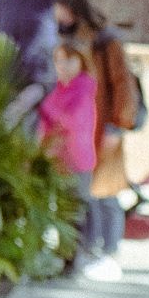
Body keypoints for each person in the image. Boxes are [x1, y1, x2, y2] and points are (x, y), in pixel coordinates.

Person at [55, 0, 140, 281]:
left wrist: (117, 127)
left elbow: (123, 85)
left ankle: (110, 252)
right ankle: (85, 251)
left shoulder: (107, 43)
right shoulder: (74, 42)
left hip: (106, 129)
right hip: (82, 132)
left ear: (76, 12)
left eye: (63, 14)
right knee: (84, 195)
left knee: (106, 193)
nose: (60, 20)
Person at [38, 40, 98, 268]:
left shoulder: (83, 88)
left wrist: (47, 106)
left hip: (77, 159)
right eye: (58, 60)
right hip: (57, 158)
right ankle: (64, 258)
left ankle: (74, 260)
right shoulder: (57, 88)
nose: (63, 65)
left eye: (69, 60)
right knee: (61, 211)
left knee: (75, 211)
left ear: (81, 62)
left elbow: (71, 121)